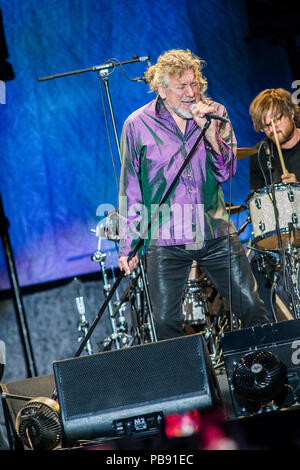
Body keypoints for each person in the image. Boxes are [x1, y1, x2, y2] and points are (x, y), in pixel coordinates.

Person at [118, 49, 268, 340]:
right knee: (164, 323)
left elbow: (225, 172)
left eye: (194, 84)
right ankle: (190, 384)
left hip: (213, 229)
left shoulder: (216, 113)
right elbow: (130, 188)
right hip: (165, 236)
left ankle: (264, 378)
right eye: (181, 87)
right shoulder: (137, 125)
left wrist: (209, 131)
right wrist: (128, 245)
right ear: (161, 90)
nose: (191, 93)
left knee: (251, 306)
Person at [249, 88, 300, 191]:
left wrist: (297, 189)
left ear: (291, 113)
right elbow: (258, 201)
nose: (272, 130)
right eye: (266, 126)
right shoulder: (259, 154)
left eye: (275, 121)